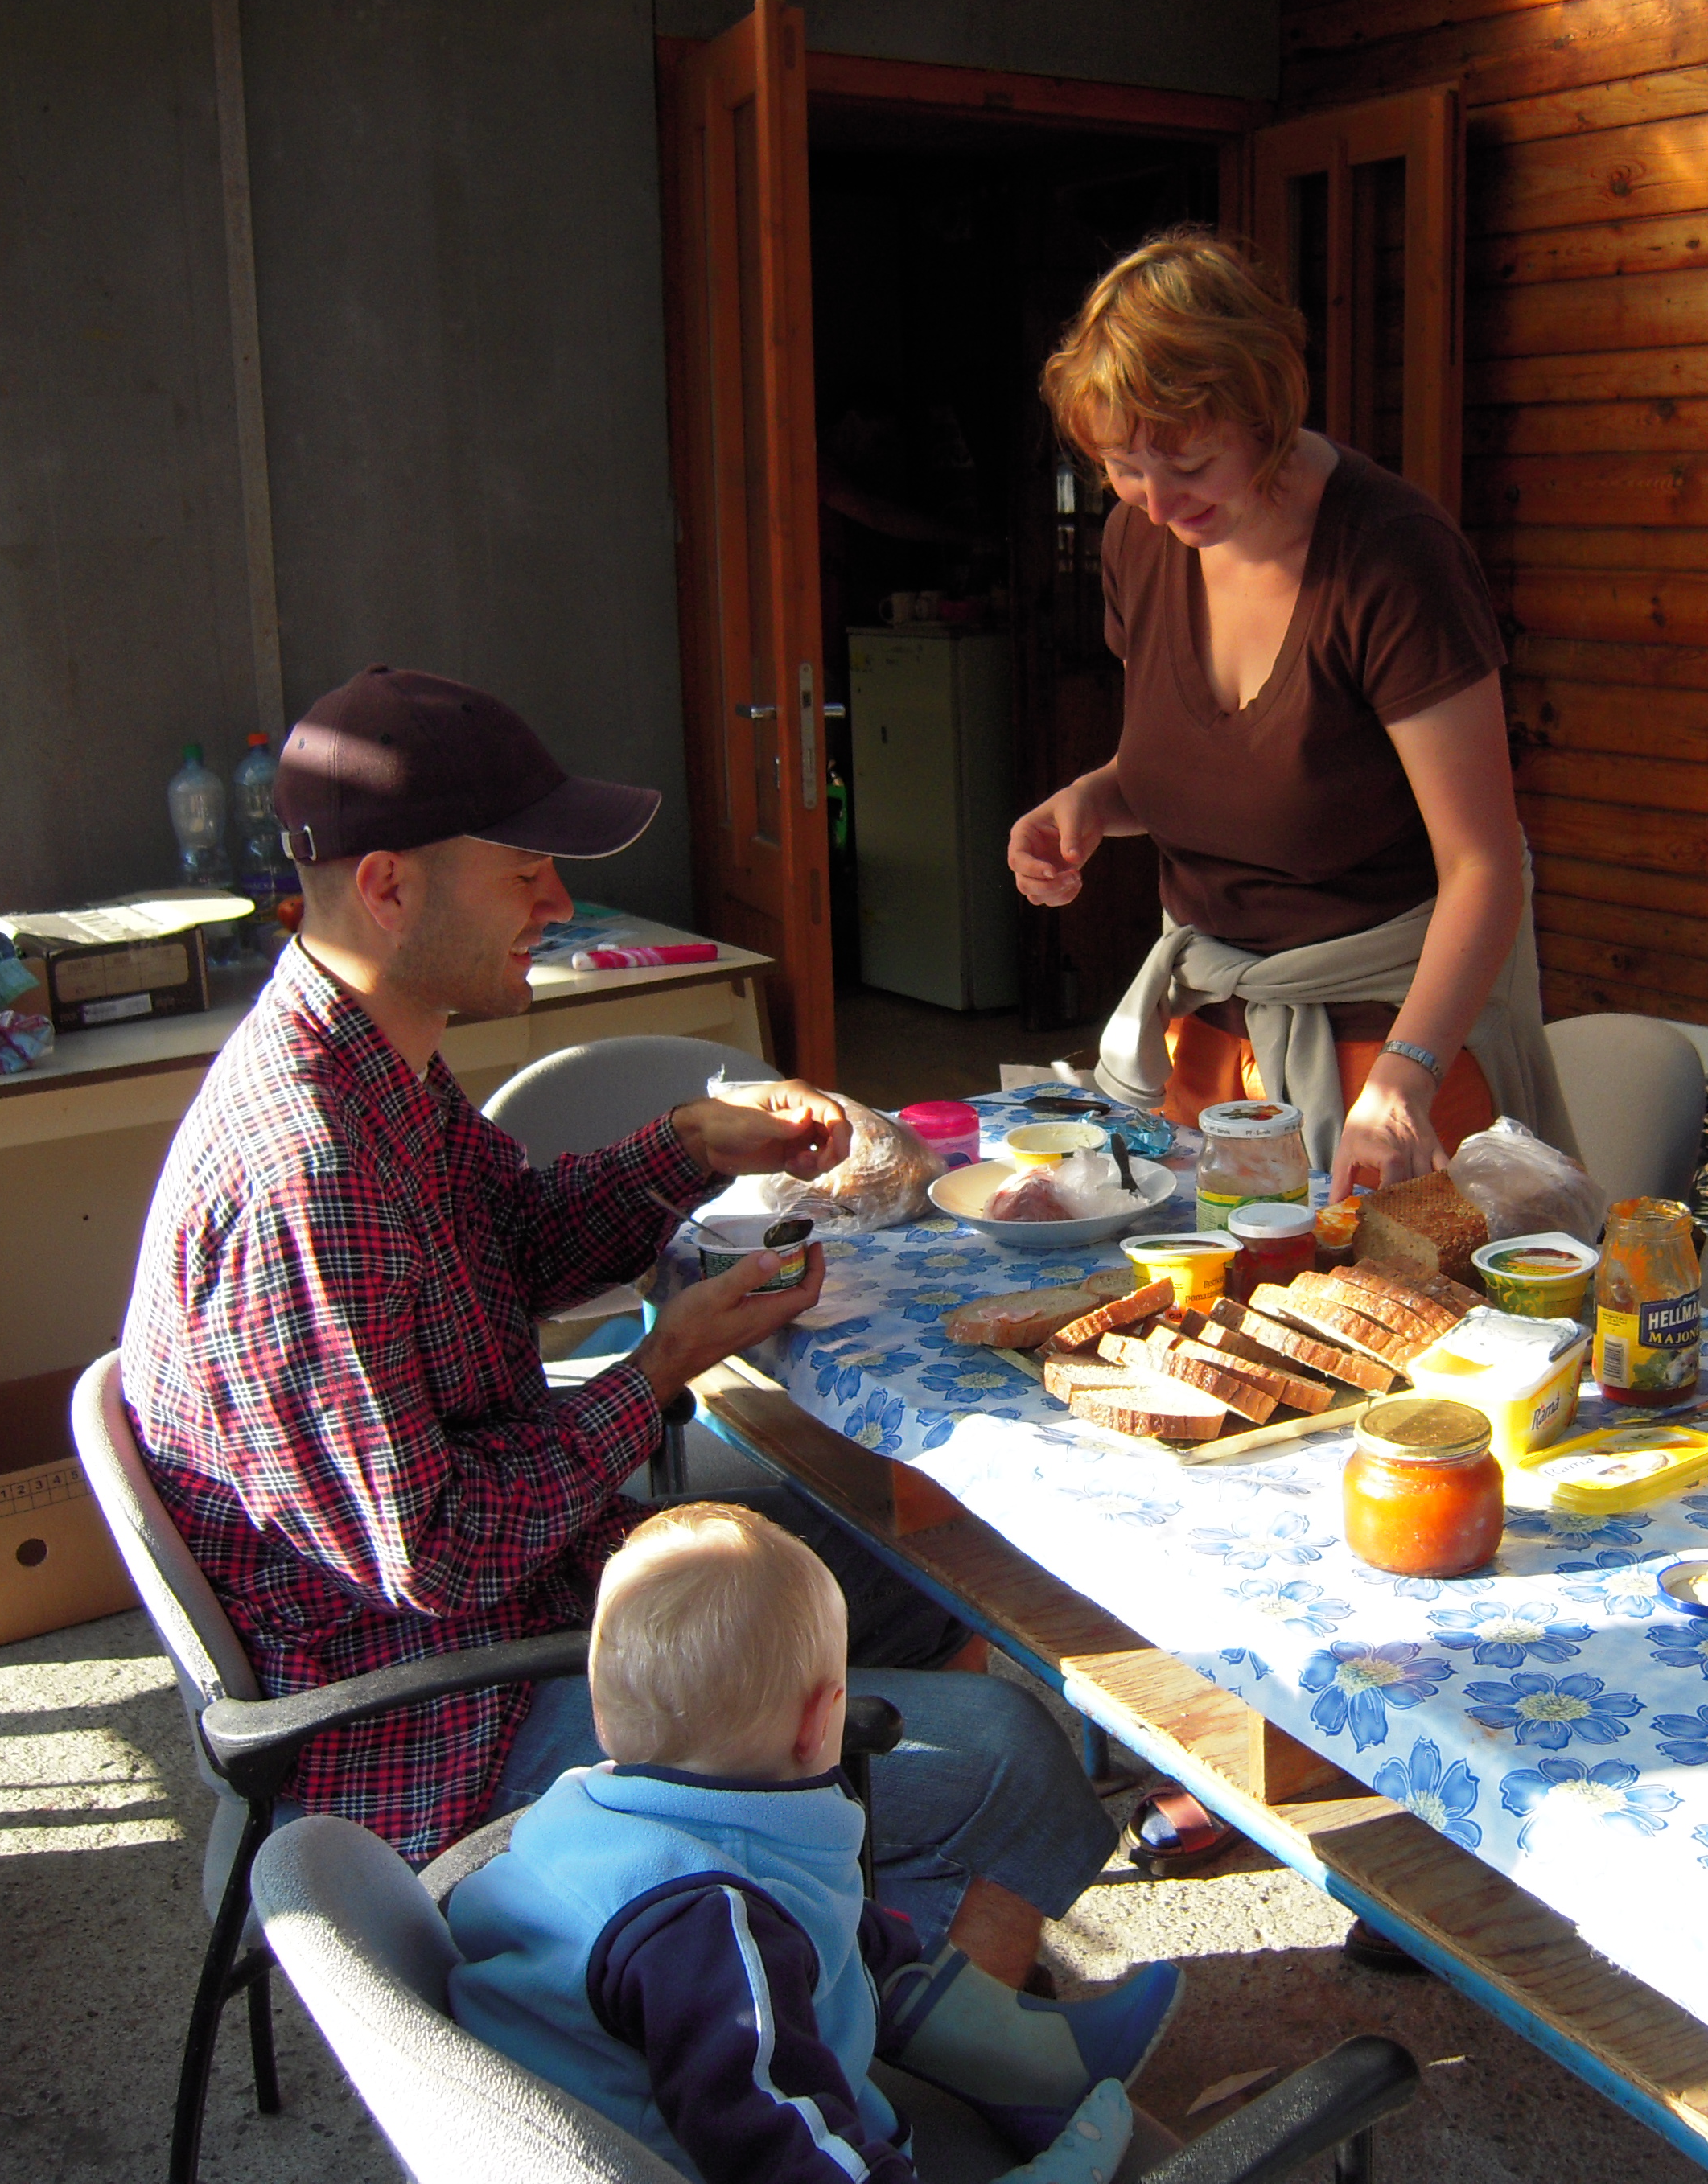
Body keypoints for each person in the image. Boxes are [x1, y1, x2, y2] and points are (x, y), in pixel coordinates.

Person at [119, 664, 1113, 1985]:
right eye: (525, 871)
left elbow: (513, 1243)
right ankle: (872, 2027)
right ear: (390, 888)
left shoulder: (367, 1056)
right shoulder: (310, 1174)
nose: (557, 904)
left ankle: (863, 1957)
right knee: (1007, 1755)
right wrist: (658, 1368)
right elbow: (442, 1553)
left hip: (507, 1608)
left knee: (913, 1538)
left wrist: (691, 1144)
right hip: (439, 1725)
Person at [1011, 229, 1576, 1192]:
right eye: (1123, 467)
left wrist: (1405, 1078)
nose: (1158, 504)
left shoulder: (1392, 557)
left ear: (1263, 410)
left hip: (1395, 1043)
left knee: (1398, 1286)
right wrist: (1090, 802)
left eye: (1190, 464)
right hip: (1212, 1042)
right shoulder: (1139, 543)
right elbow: (1207, 771)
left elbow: (1483, 865)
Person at [447, 1503, 1179, 2184]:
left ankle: (1038, 2059)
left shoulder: (587, 1808)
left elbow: (831, 1925)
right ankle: (1032, 2078)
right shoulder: (711, 1930)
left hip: (542, 2117)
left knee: (856, 1930)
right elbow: (772, 2141)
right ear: (822, 1721)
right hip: (660, 2160)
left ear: (601, 1711)